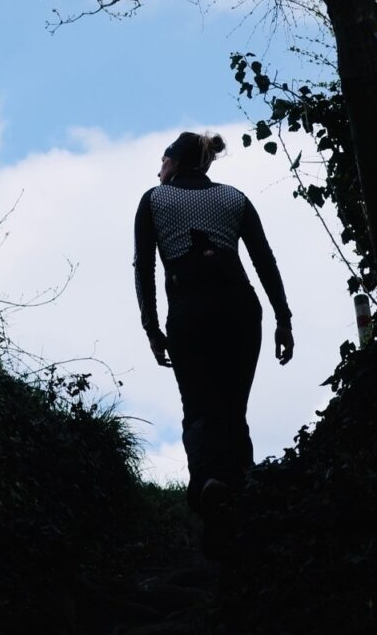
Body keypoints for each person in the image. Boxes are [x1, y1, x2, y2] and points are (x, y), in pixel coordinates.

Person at [133, 130, 293, 525]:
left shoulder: (155, 200)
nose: (158, 170)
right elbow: (264, 261)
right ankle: (244, 497)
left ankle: (209, 486)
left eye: (162, 161)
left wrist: (152, 329)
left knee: (200, 408)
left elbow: (145, 269)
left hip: (191, 310)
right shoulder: (234, 198)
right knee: (234, 409)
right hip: (241, 309)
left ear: (174, 161)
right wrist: (283, 319)